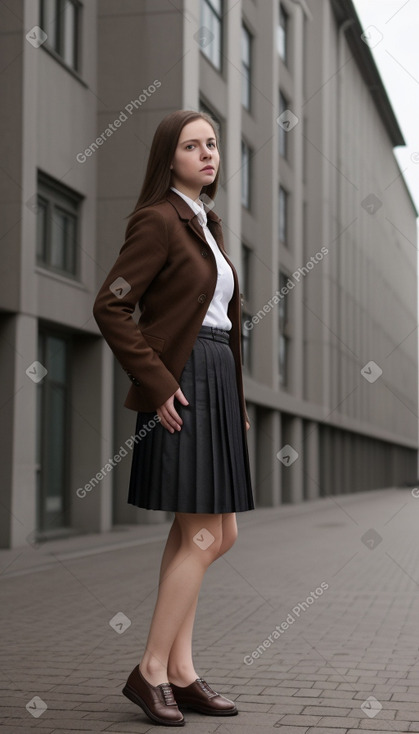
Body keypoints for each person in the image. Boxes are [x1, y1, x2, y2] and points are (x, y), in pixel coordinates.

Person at [93, 109, 255, 727]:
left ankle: (181, 671)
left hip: (215, 380)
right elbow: (111, 308)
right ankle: (152, 670)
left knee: (211, 534)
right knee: (208, 535)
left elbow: (221, 326)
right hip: (183, 384)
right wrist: (157, 380)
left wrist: (234, 404)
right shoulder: (158, 220)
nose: (208, 153)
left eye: (212, 144)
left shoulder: (206, 224)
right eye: (193, 145)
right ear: (170, 158)